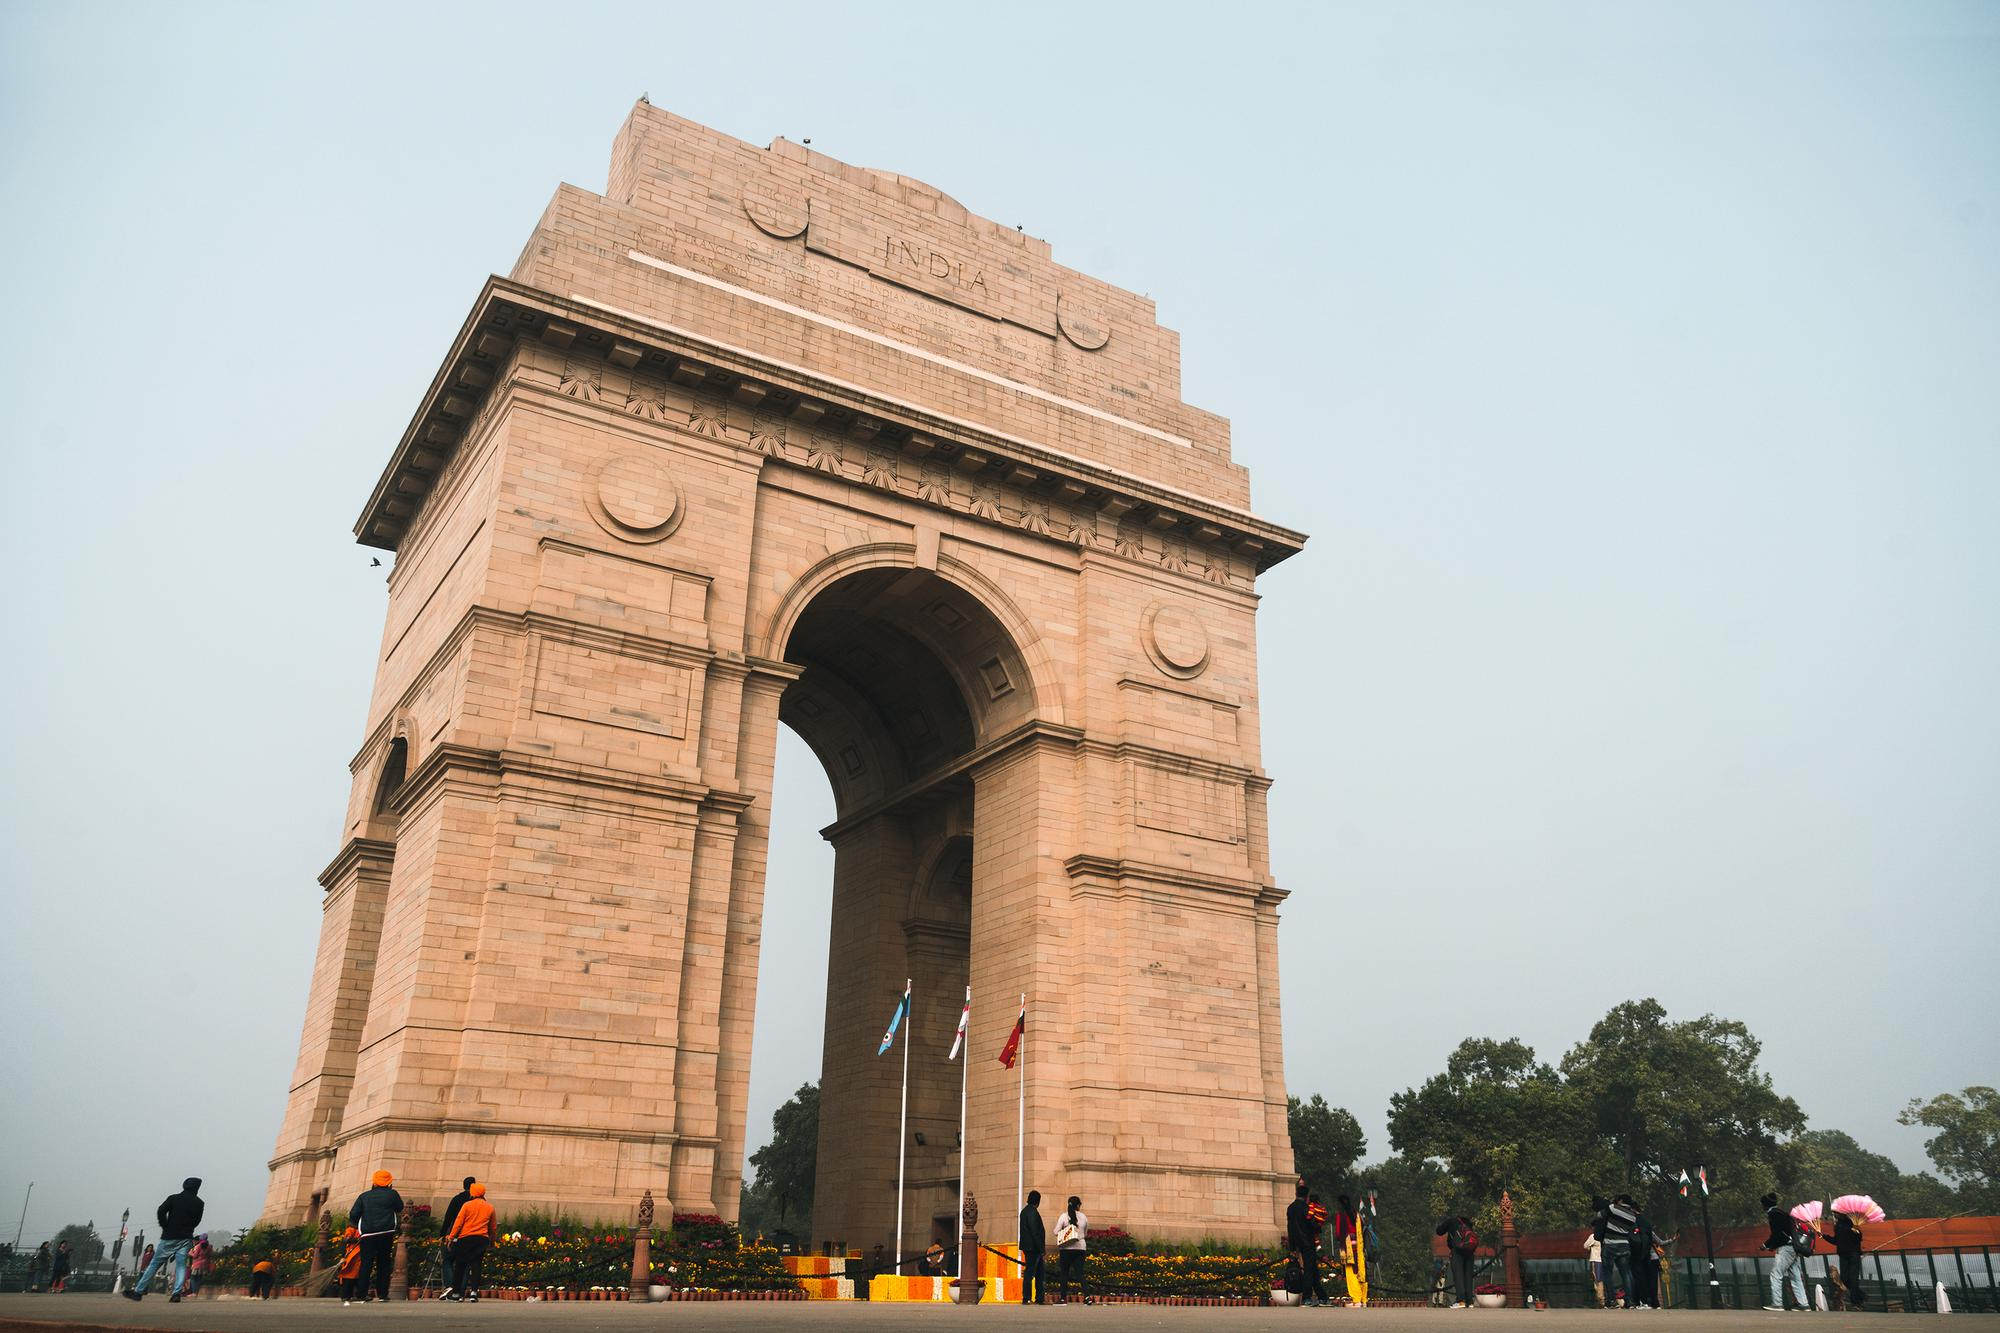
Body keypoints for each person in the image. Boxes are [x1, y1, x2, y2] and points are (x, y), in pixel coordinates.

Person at [124, 1176, 204, 1302]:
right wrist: (188, 1228)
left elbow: (161, 1211)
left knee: (154, 1264)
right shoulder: (199, 1203)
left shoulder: (174, 1198)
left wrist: (165, 1225)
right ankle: (176, 1294)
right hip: (185, 1237)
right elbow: (197, 1220)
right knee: (181, 1266)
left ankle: (138, 1291)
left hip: (169, 1235)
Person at [351, 1169, 404, 1302]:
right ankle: (382, 1294)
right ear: (389, 1182)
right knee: (384, 1263)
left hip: (367, 1234)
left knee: (366, 1264)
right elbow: (399, 1208)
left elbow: (353, 1214)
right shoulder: (393, 1195)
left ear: (374, 1182)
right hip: (386, 1232)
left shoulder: (364, 1196)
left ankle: (362, 1294)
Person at [443, 1181, 495, 1302]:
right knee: (476, 1265)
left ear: (473, 1193)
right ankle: (473, 1292)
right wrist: (492, 1242)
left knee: (460, 1265)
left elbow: (458, 1223)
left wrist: (451, 1237)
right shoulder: (490, 1207)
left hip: (465, 1238)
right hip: (481, 1239)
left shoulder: (467, 1205)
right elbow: (492, 1227)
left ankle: (456, 1293)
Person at [1760, 1192, 1808, 1311]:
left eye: (1762, 1204)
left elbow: (1777, 1234)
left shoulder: (1773, 1214)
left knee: (1776, 1274)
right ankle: (1803, 1304)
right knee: (1795, 1276)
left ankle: (1777, 1303)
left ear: (1765, 1205)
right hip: (1793, 1247)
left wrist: (1766, 1245)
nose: (1761, 1207)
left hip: (1785, 1248)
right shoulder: (1782, 1213)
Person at [1286, 1182, 1330, 1307]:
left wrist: (1292, 1247)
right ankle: (1306, 1298)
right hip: (1308, 1241)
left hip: (1297, 1241)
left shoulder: (1291, 1208)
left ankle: (1322, 1297)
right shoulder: (1307, 1208)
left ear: (1296, 1194)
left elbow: (1290, 1228)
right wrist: (1318, 1229)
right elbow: (1313, 1223)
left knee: (1313, 1270)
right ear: (1306, 1196)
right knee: (1310, 1270)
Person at [1595, 1196, 1634, 1308]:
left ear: (1621, 1201)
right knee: (1626, 1274)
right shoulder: (1632, 1216)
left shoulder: (1613, 1208)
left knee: (1607, 1273)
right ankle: (1629, 1301)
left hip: (1610, 1244)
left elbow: (1599, 1215)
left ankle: (1611, 1300)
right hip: (1624, 1245)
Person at [1620, 1198, 1657, 1309]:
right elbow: (1650, 1239)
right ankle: (1649, 1302)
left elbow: (1635, 1238)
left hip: (1637, 1254)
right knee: (1647, 1279)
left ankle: (1641, 1301)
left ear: (1632, 1210)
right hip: (1646, 1255)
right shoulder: (1646, 1222)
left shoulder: (1634, 1222)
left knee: (1637, 1279)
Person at [1823, 1213, 1866, 1310]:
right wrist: (1824, 1236)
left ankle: (1856, 1302)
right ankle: (1861, 1296)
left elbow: (1859, 1238)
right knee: (1845, 1279)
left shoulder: (1852, 1223)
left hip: (1854, 1254)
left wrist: (1856, 1231)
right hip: (1843, 1254)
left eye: (1836, 1213)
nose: (1834, 1215)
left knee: (1853, 1279)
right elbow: (1837, 1241)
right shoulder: (1838, 1226)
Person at [1436, 1213, 1477, 1308]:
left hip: (1457, 1251)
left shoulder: (1451, 1221)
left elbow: (1439, 1231)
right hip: (1469, 1251)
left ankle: (1460, 1301)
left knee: (1458, 1275)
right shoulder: (1468, 1223)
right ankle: (1469, 1301)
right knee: (1468, 1275)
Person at [1054, 1195, 1088, 1305]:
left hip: (1066, 1248)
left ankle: (1063, 1298)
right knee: (1080, 1273)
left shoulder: (1064, 1216)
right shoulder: (1083, 1217)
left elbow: (1055, 1232)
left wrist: (1065, 1232)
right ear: (1078, 1206)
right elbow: (1086, 1233)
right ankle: (1087, 1297)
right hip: (1080, 1248)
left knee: (1064, 1273)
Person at [1019, 1189, 1047, 1305]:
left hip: (1028, 1246)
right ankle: (1027, 1297)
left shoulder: (1025, 1211)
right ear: (1038, 1201)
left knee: (1039, 1272)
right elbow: (1035, 1232)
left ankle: (1038, 1297)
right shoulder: (1033, 1212)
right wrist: (1041, 1248)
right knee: (1031, 1272)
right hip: (1034, 1247)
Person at [337, 1226, 365, 1306]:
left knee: (357, 1277)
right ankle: (346, 1295)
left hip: (359, 1255)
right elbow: (346, 1239)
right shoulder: (351, 1229)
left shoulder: (362, 1228)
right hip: (352, 1256)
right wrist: (356, 1240)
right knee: (349, 1277)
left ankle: (357, 1294)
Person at [1584, 1229, 1606, 1307]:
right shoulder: (1606, 1235)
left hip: (1596, 1259)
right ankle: (1604, 1300)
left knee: (1597, 1280)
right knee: (1602, 1279)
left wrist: (1590, 1247)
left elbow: (1585, 1245)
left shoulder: (1593, 1236)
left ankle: (1601, 1300)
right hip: (1605, 1259)